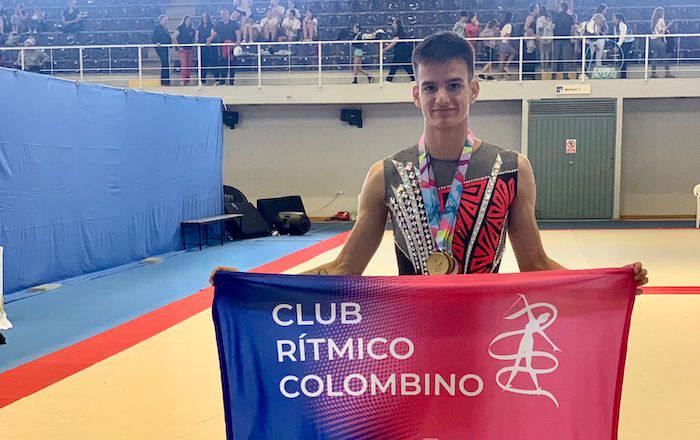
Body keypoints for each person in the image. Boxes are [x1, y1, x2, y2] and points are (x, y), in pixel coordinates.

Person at [210, 32, 648, 294]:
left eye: (454, 84)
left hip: (485, 336)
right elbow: (345, 268)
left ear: (474, 89)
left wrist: (608, 281)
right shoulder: (386, 175)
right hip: (412, 339)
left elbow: (534, 263)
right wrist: (253, 284)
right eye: (431, 86)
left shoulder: (513, 168)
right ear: (415, 93)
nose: (443, 98)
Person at [208, 8, 239, 85]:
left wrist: (238, 41)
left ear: (228, 14)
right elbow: (214, 34)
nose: (224, 15)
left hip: (232, 45)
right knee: (223, 64)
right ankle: (223, 81)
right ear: (221, 15)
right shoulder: (219, 24)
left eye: (225, 13)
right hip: (223, 47)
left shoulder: (233, 23)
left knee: (232, 63)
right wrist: (209, 39)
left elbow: (238, 32)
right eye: (222, 14)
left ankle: (231, 81)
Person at [384, 18, 414, 82]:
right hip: (401, 52)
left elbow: (394, 42)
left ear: (397, 24)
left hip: (400, 52)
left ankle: (389, 80)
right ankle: (414, 78)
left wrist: (385, 49)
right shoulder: (400, 32)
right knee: (405, 66)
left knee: (395, 66)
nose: (392, 24)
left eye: (394, 23)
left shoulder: (399, 32)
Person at [552, 1, 575, 75]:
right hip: (566, 39)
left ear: (561, 7)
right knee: (566, 58)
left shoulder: (556, 16)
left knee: (555, 58)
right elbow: (572, 29)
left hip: (556, 39)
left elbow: (553, 27)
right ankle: (565, 75)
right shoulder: (570, 18)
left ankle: (553, 74)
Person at [650, 7, 673, 78]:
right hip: (659, 39)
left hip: (654, 40)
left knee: (655, 56)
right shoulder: (661, 20)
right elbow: (661, 31)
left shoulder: (654, 20)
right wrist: (667, 27)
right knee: (665, 56)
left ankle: (653, 73)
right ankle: (667, 73)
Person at [173, 16, 195, 85]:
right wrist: (178, 46)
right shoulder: (180, 28)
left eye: (190, 20)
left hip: (190, 49)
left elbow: (194, 39)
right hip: (183, 50)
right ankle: (182, 80)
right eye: (187, 20)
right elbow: (174, 37)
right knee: (184, 65)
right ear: (184, 20)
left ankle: (187, 81)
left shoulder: (192, 29)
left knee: (189, 65)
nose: (189, 21)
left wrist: (194, 46)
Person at [197, 12, 216, 83]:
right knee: (202, 64)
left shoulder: (212, 26)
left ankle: (217, 79)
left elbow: (213, 35)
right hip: (202, 47)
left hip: (210, 47)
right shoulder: (199, 26)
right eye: (203, 17)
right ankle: (202, 80)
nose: (204, 19)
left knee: (213, 63)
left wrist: (209, 39)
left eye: (205, 17)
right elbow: (197, 36)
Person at [612, 12, 633, 79]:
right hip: (623, 42)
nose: (612, 20)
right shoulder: (616, 26)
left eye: (613, 18)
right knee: (621, 57)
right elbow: (616, 37)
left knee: (623, 57)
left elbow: (622, 37)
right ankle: (622, 74)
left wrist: (617, 46)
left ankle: (623, 75)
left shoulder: (622, 25)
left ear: (618, 19)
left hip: (627, 42)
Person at [152, 14, 171, 86]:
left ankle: (166, 81)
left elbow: (168, 38)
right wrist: (157, 42)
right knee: (165, 63)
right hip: (161, 48)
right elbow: (154, 37)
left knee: (166, 64)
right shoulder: (157, 28)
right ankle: (164, 81)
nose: (166, 22)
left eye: (167, 20)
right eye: (164, 20)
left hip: (165, 48)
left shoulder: (165, 29)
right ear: (160, 20)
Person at [523, 4, 540, 80]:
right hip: (529, 40)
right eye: (537, 8)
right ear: (534, 9)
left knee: (531, 56)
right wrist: (533, 35)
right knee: (529, 56)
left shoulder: (534, 18)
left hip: (531, 39)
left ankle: (530, 74)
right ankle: (527, 74)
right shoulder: (530, 17)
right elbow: (526, 28)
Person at [498, 11, 516, 78]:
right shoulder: (508, 25)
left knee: (501, 61)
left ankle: (501, 77)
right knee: (513, 52)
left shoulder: (503, 25)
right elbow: (508, 36)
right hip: (505, 43)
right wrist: (509, 45)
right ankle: (506, 66)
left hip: (501, 43)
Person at [537, 6, 554, 73]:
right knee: (547, 52)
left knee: (542, 52)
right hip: (549, 37)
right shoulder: (549, 18)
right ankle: (546, 66)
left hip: (542, 37)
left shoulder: (539, 19)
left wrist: (539, 37)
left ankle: (542, 66)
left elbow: (540, 29)